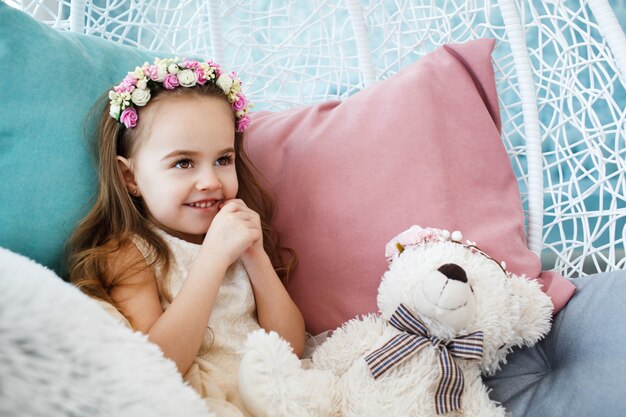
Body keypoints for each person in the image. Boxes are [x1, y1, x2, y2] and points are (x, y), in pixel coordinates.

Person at [66, 57, 305, 417]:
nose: (211, 180)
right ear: (130, 178)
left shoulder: (237, 237)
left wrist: (255, 256)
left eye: (223, 160)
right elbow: (158, 366)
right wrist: (213, 257)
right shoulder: (131, 254)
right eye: (183, 163)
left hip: (277, 391)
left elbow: (291, 347)